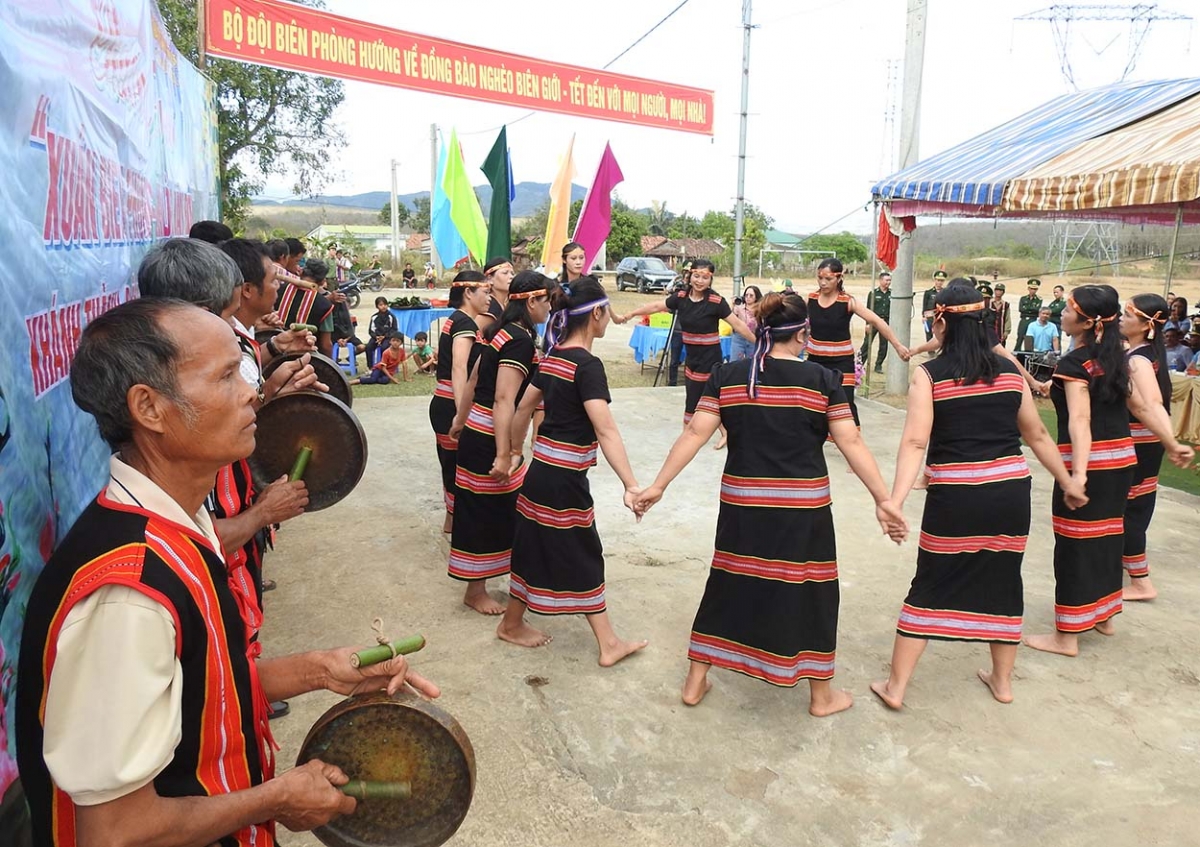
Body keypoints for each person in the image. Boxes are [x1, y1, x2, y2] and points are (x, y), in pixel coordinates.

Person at [15, 298, 439, 847]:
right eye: (224, 376)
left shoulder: (183, 526)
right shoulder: (127, 595)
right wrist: (278, 796)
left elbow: (200, 691)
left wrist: (321, 670)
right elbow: (118, 832)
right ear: (149, 408)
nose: (251, 390)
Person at [633, 292, 906, 715]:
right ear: (802, 334)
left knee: (728, 583)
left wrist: (658, 485)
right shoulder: (822, 380)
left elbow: (694, 435)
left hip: (743, 503)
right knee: (811, 592)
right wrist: (883, 499)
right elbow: (850, 440)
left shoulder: (729, 375)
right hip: (803, 510)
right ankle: (821, 696)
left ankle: (695, 680)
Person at [869, 285, 1085, 710]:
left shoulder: (930, 375)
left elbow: (915, 443)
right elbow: (1037, 434)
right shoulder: (1008, 372)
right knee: (1003, 580)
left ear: (942, 322)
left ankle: (896, 688)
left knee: (931, 581)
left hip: (955, 497)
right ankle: (1002, 683)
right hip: (1009, 493)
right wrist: (1067, 480)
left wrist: (894, 501)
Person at [1025, 286, 1191, 657]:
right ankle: (1104, 616)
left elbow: (1080, 420)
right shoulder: (1115, 357)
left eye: (1067, 309)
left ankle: (1066, 636)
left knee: (1074, 548)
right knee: (1109, 540)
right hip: (1122, 464)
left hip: (1092, 466)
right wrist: (1170, 441)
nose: (1061, 313)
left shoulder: (1075, 364)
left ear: (1086, 321)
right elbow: (1145, 407)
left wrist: (1078, 475)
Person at [498, 276, 648, 664]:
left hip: (540, 473)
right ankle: (609, 643)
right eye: (607, 309)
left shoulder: (553, 358)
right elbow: (605, 429)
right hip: (563, 481)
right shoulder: (587, 365)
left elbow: (522, 408)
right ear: (596, 314)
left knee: (532, 545)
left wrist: (516, 451)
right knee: (583, 552)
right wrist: (631, 485)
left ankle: (512, 624)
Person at [448, 271, 553, 615]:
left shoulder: (501, 331)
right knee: (487, 512)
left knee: (488, 510)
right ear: (533, 301)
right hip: (490, 437)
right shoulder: (520, 340)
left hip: (476, 430)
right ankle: (476, 590)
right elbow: (504, 399)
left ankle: (490, 582)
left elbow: (476, 377)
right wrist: (504, 453)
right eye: (547, 300)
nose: (549, 307)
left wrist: (460, 420)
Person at [612, 259, 755, 433]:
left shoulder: (717, 302)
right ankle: (719, 431)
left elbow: (738, 325)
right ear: (690, 275)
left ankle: (691, 433)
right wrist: (630, 314)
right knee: (702, 395)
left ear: (711, 279)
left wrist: (760, 343)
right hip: (692, 357)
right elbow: (657, 306)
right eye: (696, 276)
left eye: (705, 277)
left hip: (710, 358)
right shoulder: (681, 297)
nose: (699, 281)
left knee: (699, 396)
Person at [1119, 295, 1180, 602]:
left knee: (1126, 509)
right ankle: (1129, 565)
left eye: (1128, 315)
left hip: (1138, 443)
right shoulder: (1143, 353)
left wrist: (1171, 442)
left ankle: (1141, 581)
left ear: (1146, 326)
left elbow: (1152, 403)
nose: (1121, 319)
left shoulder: (1138, 360)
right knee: (1137, 506)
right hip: (1148, 442)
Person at [806, 257, 910, 427]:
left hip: (841, 363)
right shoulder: (810, 299)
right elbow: (789, 316)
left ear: (839, 278)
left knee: (845, 404)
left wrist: (897, 345)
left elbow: (877, 321)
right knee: (813, 406)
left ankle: (853, 442)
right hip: (815, 362)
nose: (823, 282)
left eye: (828, 279)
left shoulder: (848, 302)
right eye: (820, 278)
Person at [428, 270, 492, 534]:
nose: (489, 297)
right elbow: (458, 367)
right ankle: (459, 521)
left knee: (450, 463)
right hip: (450, 404)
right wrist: (461, 412)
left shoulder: (455, 319)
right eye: (485, 291)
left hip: (443, 402)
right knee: (458, 465)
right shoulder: (465, 324)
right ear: (468, 292)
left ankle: (452, 519)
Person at [277, 258, 335, 357]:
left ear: (301, 272)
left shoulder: (278, 290)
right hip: (305, 358)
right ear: (322, 281)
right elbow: (326, 345)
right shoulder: (324, 305)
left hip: (273, 352)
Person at [860, 271, 892, 373]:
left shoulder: (892, 294)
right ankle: (859, 364)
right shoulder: (873, 293)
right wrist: (868, 324)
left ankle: (878, 365)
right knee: (866, 344)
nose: (888, 282)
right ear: (880, 280)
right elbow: (868, 309)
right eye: (886, 280)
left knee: (884, 345)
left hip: (886, 322)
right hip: (874, 321)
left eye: (890, 280)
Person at [478, 256, 516, 329]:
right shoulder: (487, 307)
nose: (511, 277)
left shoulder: (508, 306)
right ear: (489, 279)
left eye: (512, 273)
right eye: (505, 273)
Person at [366, 296, 399, 366]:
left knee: (384, 347)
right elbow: (371, 330)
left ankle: (384, 366)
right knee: (368, 347)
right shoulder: (374, 317)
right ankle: (371, 367)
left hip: (388, 338)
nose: (383, 306)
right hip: (377, 338)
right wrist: (376, 337)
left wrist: (385, 336)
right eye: (381, 305)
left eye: (385, 304)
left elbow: (394, 329)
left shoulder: (391, 316)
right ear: (377, 306)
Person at [730, 285, 761, 361]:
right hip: (739, 338)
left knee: (751, 362)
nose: (748, 297)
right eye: (746, 295)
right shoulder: (739, 308)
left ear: (756, 297)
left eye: (751, 295)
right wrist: (732, 304)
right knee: (735, 362)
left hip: (753, 337)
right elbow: (730, 319)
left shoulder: (760, 309)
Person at [1016, 278, 1044, 348]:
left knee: (1030, 338)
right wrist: (1031, 308)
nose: (1033, 290)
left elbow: (1037, 310)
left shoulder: (1039, 299)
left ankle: (1028, 354)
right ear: (1028, 288)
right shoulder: (1023, 298)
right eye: (1031, 288)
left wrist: (1027, 308)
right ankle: (1017, 351)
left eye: (1035, 289)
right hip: (1024, 319)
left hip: (1033, 319)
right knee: (1020, 336)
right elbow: (1021, 309)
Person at [921, 270, 948, 341]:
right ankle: (930, 349)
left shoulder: (945, 293)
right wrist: (923, 316)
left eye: (941, 281)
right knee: (928, 332)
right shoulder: (928, 292)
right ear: (935, 280)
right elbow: (925, 305)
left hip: (941, 316)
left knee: (941, 333)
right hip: (929, 316)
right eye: (938, 280)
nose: (939, 282)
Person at [989, 283, 1012, 347]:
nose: (998, 292)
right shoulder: (989, 303)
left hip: (1000, 331)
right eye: (997, 290)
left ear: (1003, 292)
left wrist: (1006, 332)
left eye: (1001, 290)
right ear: (994, 291)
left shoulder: (1006, 305)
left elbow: (1008, 319)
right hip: (990, 330)